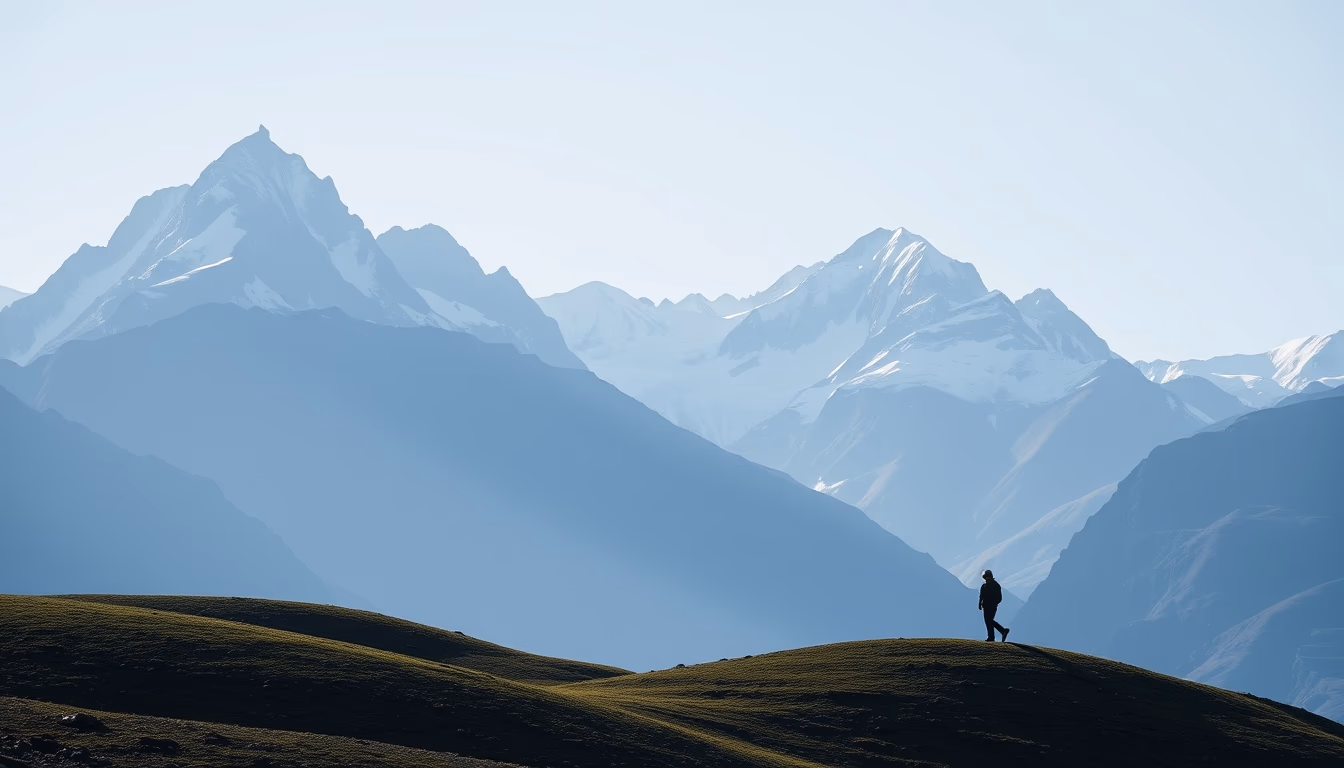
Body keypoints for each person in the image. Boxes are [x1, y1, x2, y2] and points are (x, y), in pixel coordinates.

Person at [978, 569, 1010, 642]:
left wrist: (993, 603)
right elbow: (981, 596)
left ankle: (999, 632)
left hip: (991, 606)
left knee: (989, 620)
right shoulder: (986, 586)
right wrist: (980, 604)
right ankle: (993, 636)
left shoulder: (994, 586)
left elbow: (999, 598)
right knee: (988, 621)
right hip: (987, 606)